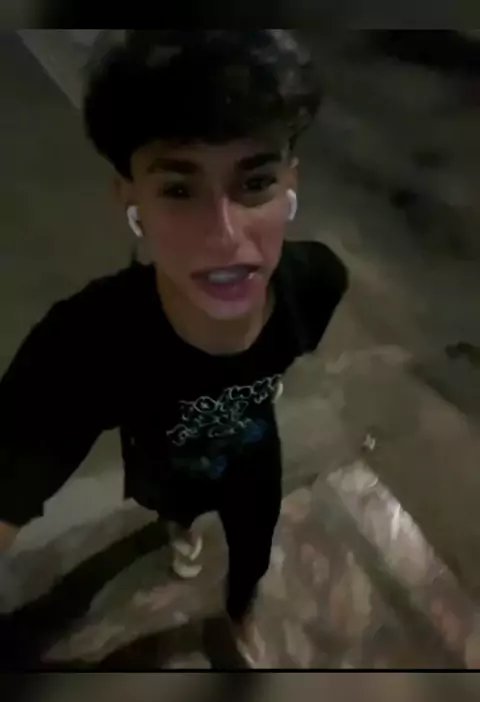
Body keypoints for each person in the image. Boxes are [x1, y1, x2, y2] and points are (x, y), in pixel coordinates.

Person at [0, 30, 348, 665]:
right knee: (177, 513)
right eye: (179, 190)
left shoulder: (317, 283)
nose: (225, 237)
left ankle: (240, 615)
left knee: (253, 544)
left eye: (255, 182)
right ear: (130, 199)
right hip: (163, 466)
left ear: (290, 185)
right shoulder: (86, 343)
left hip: (253, 456)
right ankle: (179, 530)